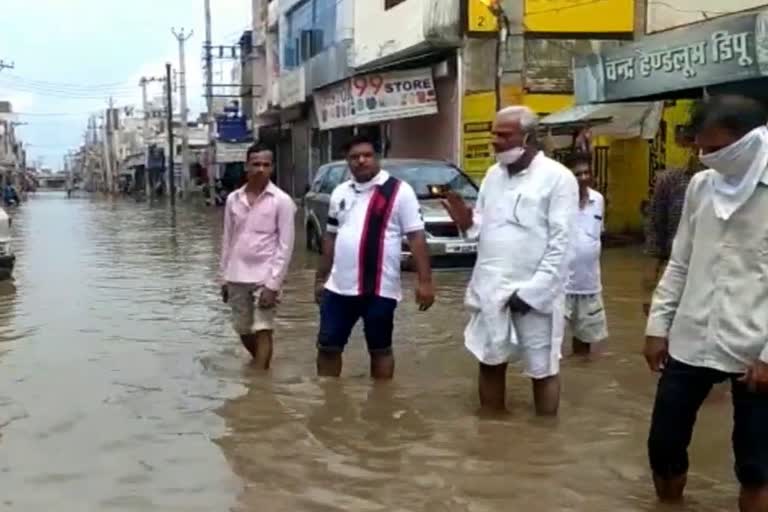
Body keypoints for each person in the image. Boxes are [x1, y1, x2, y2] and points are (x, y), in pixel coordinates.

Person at [644, 95, 768, 511]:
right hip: (691, 339)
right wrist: (657, 327)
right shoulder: (700, 187)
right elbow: (680, 263)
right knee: (663, 446)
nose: (706, 158)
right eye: (701, 148)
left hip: (757, 347)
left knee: (756, 466)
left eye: (717, 150)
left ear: (751, 141)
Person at [443, 106, 578, 415]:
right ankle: (491, 436)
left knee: (542, 369)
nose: (494, 141)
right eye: (493, 133)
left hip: (536, 292)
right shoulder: (493, 175)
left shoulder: (558, 179)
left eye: (503, 135)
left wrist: (533, 293)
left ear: (528, 137)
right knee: (490, 360)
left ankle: (544, 443)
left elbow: (562, 245)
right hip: (491, 287)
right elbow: (482, 227)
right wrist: (465, 221)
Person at [314, 134, 435, 380]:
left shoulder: (399, 191)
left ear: (377, 158)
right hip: (338, 288)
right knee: (327, 348)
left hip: (380, 288)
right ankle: (328, 402)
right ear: (347, 161)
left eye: (367, 155)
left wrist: (425, 282)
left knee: (380, 349)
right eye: (354, 157)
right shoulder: (340, 192)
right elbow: (330, 237)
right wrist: (320, 278)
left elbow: (416, 238)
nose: (361, 161)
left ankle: (382, 406)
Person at [219, 143, 296, 369]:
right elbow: (227, 239)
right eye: (256, 164)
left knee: (263, 327)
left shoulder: (282, 201)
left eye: (266, 164)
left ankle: (261, 384)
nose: (261, 169)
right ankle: (260, 365)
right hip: (236, 275)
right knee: (242, 329)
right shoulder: (234, 199)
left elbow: (286, 245)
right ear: (246, 166)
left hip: (265, 275)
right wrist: (223, 278)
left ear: (272, 168)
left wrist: (273, 284)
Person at [642, 125, 702, 316]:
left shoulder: (730, 183)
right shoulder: (671, 181)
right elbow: (655, 228)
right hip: (674, 268)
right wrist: (650, 280)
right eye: (696, 144)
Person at [563, 152, 607, 356]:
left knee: (585, 343)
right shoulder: (558, 200)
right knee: (550, 343)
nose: (583, 177)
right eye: (577, 174)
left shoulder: (598, 200)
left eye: (586, 172)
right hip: (560, 285)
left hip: (589, 284)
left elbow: (597, 235)